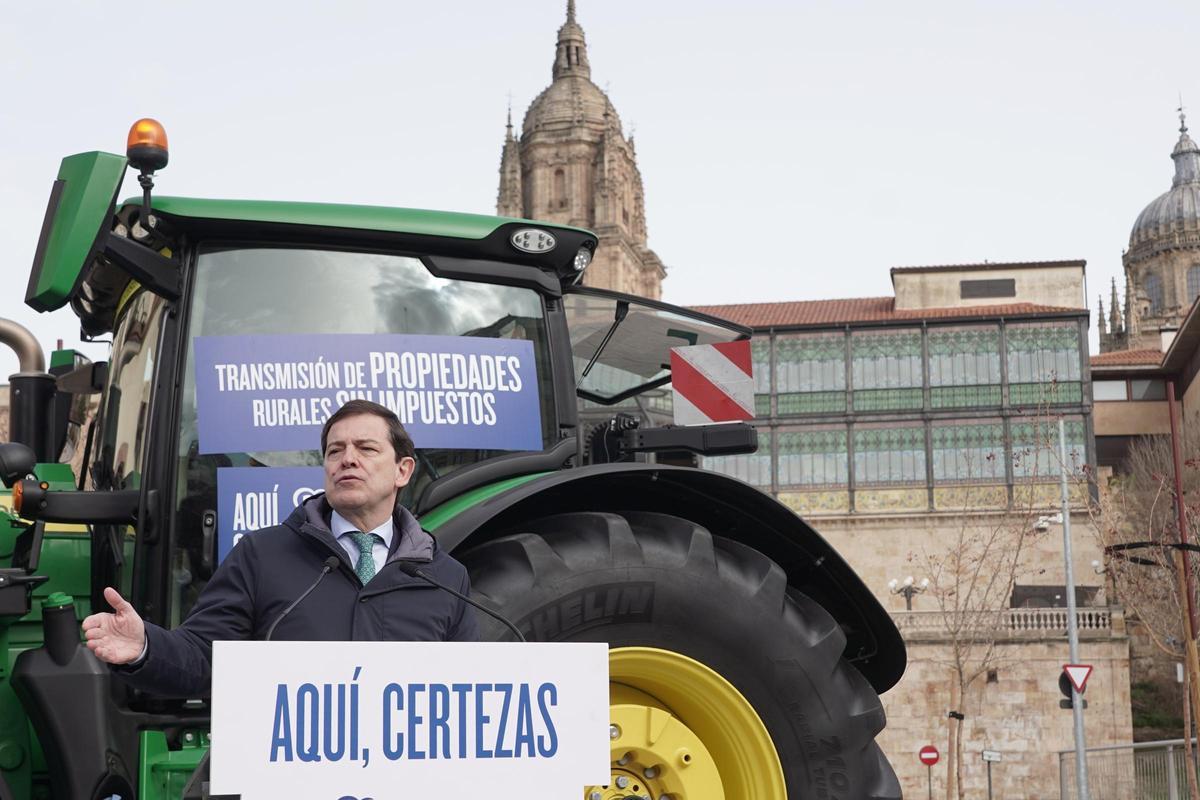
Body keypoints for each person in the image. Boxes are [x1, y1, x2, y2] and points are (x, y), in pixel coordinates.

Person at [81, 399, 479, 697]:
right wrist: (145, 647)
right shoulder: (261, 554)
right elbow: (206, 658)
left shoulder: (444, 577)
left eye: (366, 449)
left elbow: (466, 695)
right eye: (335, 451)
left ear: (403, 470)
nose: (347, 460)